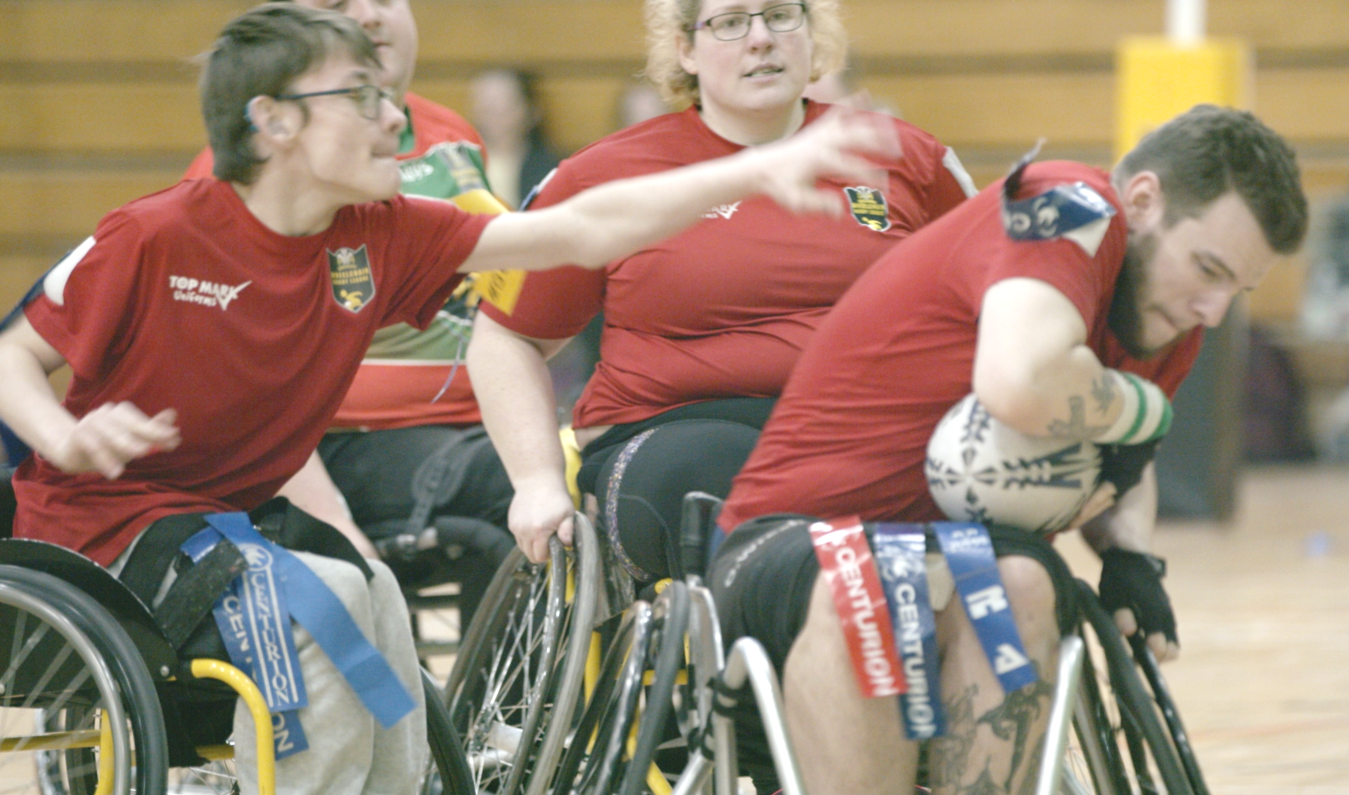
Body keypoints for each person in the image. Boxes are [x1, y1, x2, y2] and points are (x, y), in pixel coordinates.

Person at [0, 4, 901, 794]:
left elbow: (576, 228)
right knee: (324, 605)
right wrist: (61, 434)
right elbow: (12, 354)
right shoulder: (156, 233)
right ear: (270, 121)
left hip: (232, 519)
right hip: (102, 531)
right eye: (358, 97)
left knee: (378, 604)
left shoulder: (380, 237)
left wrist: (749, 173)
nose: (395, 115)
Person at [709, 104, 1308, 794]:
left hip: (966, 553)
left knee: (1021, 583)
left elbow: (1119, 459)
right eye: (1208, 267)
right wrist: (1141, 407)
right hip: (792, 542)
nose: (1215, 309)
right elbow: (1020, 382)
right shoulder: (1064, 206)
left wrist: (1131, 551)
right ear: (1141, 200)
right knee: (878, 581)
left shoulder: (1174, 318)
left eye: (1238, 286)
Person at [472, 0, 976, 581]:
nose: (760, 38)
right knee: (730, 483)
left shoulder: (908, 157)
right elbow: (506, 336)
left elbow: (985, 313)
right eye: (731, 22)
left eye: (782, 15)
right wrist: (535, 481)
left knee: (982, 507)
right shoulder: (606, 173)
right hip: (677, 432)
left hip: (865, 429)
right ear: (685, 48)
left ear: (812, 33)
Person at [184, 0, 515, 628]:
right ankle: (499, 723)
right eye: (338, 3)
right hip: (336, 446)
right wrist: (332, 519)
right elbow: (234, 396)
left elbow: (548, 250)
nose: (368, 16)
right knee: (508, 481)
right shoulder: (235, 182)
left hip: (470, 425)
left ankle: (499, 716)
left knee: (575, 461)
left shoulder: (452, 136)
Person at [469, 68, 564, 209]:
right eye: (485, 105)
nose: (491, 113)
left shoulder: (554, 170)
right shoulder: (455, 167)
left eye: (502, 104)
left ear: (532, 111)